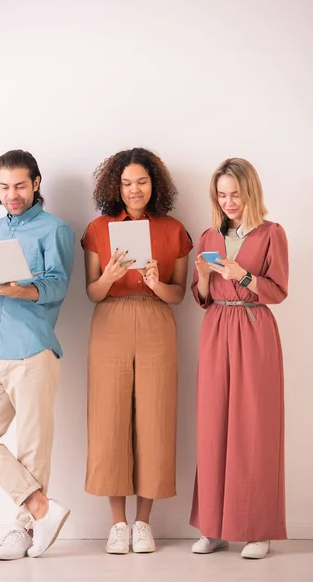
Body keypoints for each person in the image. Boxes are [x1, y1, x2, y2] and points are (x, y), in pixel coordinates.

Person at [0, 150, 75, 560]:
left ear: (37, 183)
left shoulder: (55, 230)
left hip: (33, 349)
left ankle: (23, 530)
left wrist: (17, 289)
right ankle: (42, 509)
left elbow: (58, 286)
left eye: (20, 186)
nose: (13, 194)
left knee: (32, 447)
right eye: (5, 186)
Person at [81, 148, 193, 554]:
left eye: (141, 182)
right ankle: (117, 525)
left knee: (155, 416)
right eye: (126, 183)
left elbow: (179, 294)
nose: (134, 190)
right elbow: (92, 293)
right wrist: (109, 277)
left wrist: (156, 283)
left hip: (156, 320)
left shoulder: (174, 230)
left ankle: (143, 522)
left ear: (154, 184)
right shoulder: (98, 228)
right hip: (110, 320)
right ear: (115, 185)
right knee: (109, 416)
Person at [190, 157, 288, 559]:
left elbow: (279, 290)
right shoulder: (208, 236)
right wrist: (202, 275)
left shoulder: (272, 234)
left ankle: (256, 528)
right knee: (213, 426)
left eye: (236, 194)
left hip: (253, 328)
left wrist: (241, 276)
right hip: (216, 328)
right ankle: (213, 528)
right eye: (222, 194)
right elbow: (202, 297)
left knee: (253, 429)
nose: (229, 202)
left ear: (251, 193)